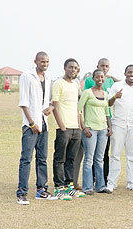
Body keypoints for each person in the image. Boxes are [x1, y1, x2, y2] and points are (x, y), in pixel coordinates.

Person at [16, 52, 57, 205]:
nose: (44, 64)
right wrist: (32, 123)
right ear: (35, 61)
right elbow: (24, 102)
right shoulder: (27, 76)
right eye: (42, 61)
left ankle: (42, 190)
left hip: (43, 124)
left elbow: (47, 102)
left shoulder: (48, 78)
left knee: (42, 159)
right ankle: (21, 193)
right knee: (26, 159)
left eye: (47, 62)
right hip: (30, 125)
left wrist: (50, 109)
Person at [77, 58, 118, 189]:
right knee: (89, 160)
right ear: (93, 78)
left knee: (99, 159)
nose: (100, 79)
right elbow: (78, 110)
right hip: (90, 130)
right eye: (98, 77)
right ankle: (88, 187)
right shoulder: (87, 92)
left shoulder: (105, 94)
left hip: (103, 130)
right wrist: (83, 127)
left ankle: (101, 186)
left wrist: (109, 128)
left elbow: (107, 112)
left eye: (102, 77)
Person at [107, 64, 133, 192]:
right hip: (118, 123)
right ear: (125, 73)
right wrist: (115, 97)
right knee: (115, 155)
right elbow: (108, 103)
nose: (132, 75)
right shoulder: (117, 86)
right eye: (129, 72)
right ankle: (111, 183)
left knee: (132, 156)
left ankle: (132, 183)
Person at [52, 58, 85, 200]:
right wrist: (62, 126)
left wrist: (79, 125)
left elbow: (77, 107)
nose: (73, 70)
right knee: (60, 158)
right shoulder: (58, 84)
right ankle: (58, 188)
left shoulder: (75, 84)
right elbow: (55, 106)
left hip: (75, 128)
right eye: (70, 67)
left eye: (75, 68)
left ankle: (69, 186)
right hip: (64, 128)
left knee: (71, 159)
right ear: (65, 68)